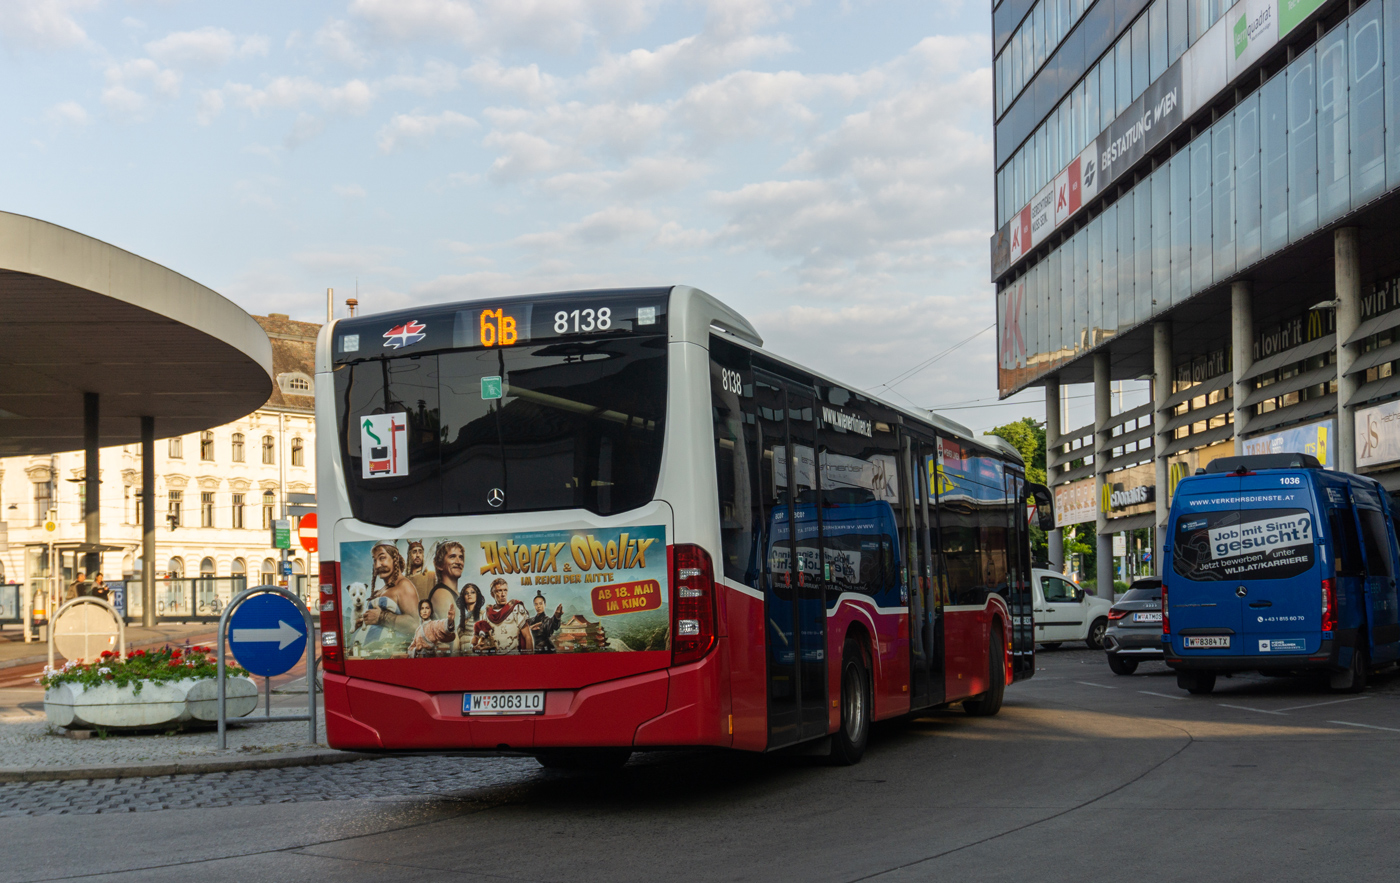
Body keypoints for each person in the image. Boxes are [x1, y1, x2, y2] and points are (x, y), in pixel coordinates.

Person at [356, 541, 418, 655]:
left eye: (382, 558)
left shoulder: (404, 585)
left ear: (394, 559)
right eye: (375, 560)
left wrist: (382, 617)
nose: (378, 565)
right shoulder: (382, 590)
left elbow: (415, 625)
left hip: (393, 656)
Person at [474, 577, 534, 654]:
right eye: (499, 591)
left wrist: (529, 660)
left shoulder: (516, 609)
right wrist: (478, 647)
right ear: (493, 594)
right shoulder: (486, 615)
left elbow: (527, 637)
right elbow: (483, 641)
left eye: (505, 590)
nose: (503, 594)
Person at [454, 583, 485, 656]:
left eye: (472, 592)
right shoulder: (462, 621)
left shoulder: (483, 615)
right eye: (466, 593)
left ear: (477, 596)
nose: (469, 595)